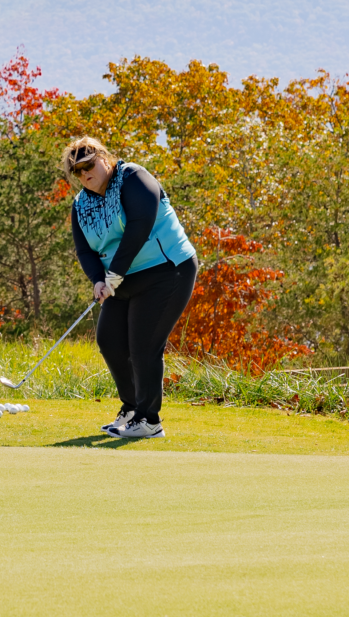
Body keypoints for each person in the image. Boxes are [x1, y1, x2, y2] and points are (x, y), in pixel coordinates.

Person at [62, 137, 198, 439]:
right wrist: (98, 280)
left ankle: (149, 421)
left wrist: (113, 274)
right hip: (121, 278)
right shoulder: (81, 205)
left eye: (89, 165)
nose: (85, 174)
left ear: (105, 158)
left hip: (167, 269)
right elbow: (84, 250)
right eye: (77, 171)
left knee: (144, 346)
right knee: (110, 340)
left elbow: (140, 225)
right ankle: (132, 408)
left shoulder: (134, 178)